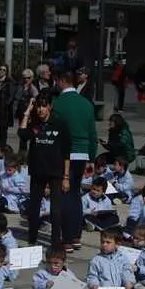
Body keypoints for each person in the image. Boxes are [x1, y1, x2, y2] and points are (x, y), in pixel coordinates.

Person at [52, 71, 98, 251]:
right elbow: (92, 133)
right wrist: (92, 157)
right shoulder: (86, 104)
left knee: (64, 195)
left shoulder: (58, 103)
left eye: (57, 81)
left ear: (62, 81)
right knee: (76, 194)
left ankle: (67, 238)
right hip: (83, 153)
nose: (56, 84)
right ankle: (77, 235)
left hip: (65, 154)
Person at [18, 93, 70, 249]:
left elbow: (67, 152)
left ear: (50, 107)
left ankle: (56, 241)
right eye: (38, 106)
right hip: (37, 171)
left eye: (43, 106)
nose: (40, 109)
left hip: (56, 172)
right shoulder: (34, 123)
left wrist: (66, 176)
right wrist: (27, 112)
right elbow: (22, 134)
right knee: (34, 207)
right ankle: (32, 238)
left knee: (55, 209)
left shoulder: (60, 124)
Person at [12, 68, 38, 152]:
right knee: (22, 134)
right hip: (21, 114)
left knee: (30, 134)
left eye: (28, 77)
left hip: (30, 114)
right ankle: (22, 152)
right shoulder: (20, 87)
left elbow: (36, 100)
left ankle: (31, 152)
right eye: (24, 78)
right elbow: (16, 99)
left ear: (32, 78)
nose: (26, 79)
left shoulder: (33, 88)